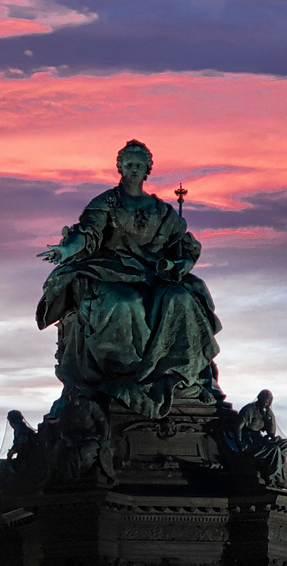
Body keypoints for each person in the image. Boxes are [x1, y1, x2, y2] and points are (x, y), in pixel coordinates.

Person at [38, 140, 222, 418]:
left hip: (152, 275)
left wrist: (179, 264)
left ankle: (178, 375)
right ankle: (122, 377)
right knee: (124, 302)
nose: (134, 169)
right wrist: (66, 249)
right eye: (129, 164)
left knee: (182, 297)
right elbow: (87, 235)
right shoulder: (106, 204)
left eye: (139, 165)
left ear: (148, 169)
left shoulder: (162, 211)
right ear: (120, 168)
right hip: (110, 271)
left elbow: (181, 248)